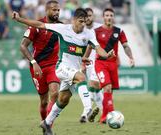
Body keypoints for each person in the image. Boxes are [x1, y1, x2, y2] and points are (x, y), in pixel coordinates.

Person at [12, 8, 114, 135]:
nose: (82, 24)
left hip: (74, 70)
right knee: (82, 78)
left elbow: (98, 48)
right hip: (62, 68)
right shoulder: (63, 28)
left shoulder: (89, 34)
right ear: (74, 20)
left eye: (85, 22)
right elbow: (39, 24)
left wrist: (106, 55)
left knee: (63, 100)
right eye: (80, 21)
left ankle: (47, 123)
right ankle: (88, 110)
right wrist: (19, 19)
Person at [19, 0, 61, 133]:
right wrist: (33, 63)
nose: (57, 12)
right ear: (47, 10)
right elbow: (23, 46)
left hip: (53, 65)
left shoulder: (61, 27)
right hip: (38, 67)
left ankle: (48, 126)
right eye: (54, 10)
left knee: (55, 93)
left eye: (58, 10)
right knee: (44, 101)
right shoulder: (36, 26)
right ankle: (45, 126)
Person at [93, 8, 134, 124]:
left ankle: (104, 117)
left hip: (113, 64)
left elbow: (125, 46)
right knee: (107, 87)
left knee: (109, 91)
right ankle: (112, 115)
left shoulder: (119, 31)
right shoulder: (96, 31)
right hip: (100, 63)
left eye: (111, 15)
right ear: (103, 17)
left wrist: (131, 57)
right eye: (106, 15)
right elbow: (90, 46)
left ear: (113, 17)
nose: (109, 17)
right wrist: (84, 60)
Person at [78, 8, 103, 123]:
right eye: (86, 16)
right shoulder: (80, 29)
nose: (88, 18)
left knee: (93, 85)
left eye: (90, 15)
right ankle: (103, 112)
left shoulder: (99, 28)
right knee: (93, 88)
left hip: (97, 61)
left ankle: (86, 113)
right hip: (85, 62)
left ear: (93, 16)